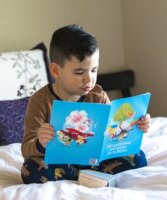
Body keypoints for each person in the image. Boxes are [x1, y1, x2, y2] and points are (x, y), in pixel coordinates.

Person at [21, 24, 150, 184]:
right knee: (31, 169)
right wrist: (41, 142)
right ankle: (82, 176)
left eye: (94, 70)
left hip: (95, 160)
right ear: (55, 71)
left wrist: (136, 125)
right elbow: (26, 148)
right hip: (60, 162)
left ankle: (86, 175)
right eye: (79, 72)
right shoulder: (40, 101)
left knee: (138, 157)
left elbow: (113, 133)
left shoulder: (98, 95)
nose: (89, 79)